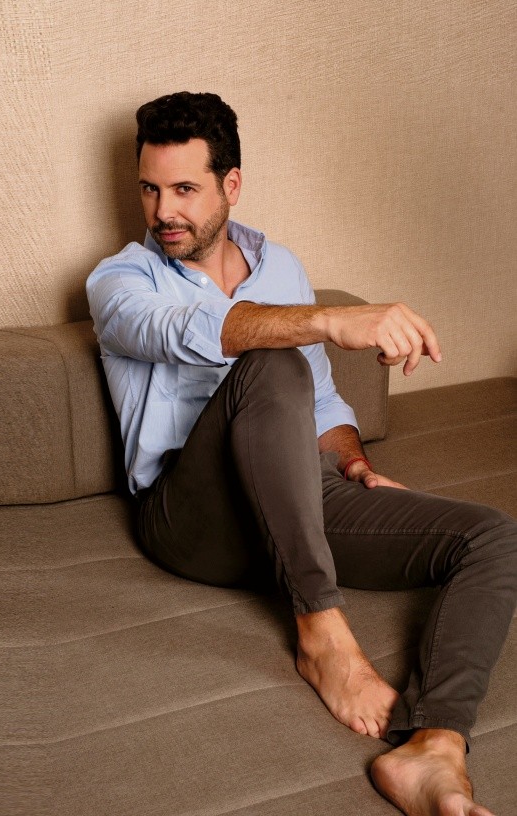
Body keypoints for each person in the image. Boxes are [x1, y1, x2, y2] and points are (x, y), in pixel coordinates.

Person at [85, 91, 516, 816]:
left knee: (492, 537)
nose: (163, 212)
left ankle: (434, 747)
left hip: (295, 501)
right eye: (150, 190)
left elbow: (321, 401)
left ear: (231, 184)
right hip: (190, 519)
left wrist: (353, 462)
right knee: (274, 360)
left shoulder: (279, 266)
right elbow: (193, 331)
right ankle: (321, 632)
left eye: (184, 189)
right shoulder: (120, 280)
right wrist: (330, 319)